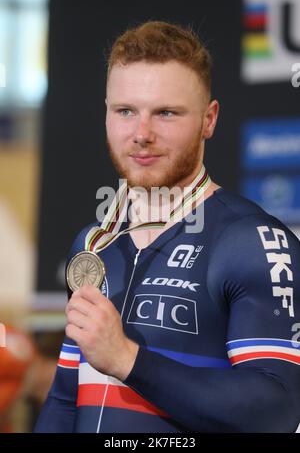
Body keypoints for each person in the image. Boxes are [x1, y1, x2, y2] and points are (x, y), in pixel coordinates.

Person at [35, 21, 300, 433]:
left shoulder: (251, 241)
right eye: (125, 111)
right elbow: (67, 398)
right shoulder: (93, 243)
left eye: (166, 113)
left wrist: (127, 359)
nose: (142, 134)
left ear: (209, 120)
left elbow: (276, 409)